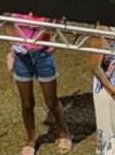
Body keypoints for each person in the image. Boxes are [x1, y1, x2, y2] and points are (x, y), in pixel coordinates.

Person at [7, 16, 71, 155]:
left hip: (43, 55)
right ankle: (31, 139)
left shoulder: (43, 3)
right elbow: (6, 22)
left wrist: (54, 39)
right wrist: (12, 48)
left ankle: (64, 133)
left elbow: (60, 20)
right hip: (21, 56)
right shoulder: (15, 2)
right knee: (27, 103)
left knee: (51, 102)